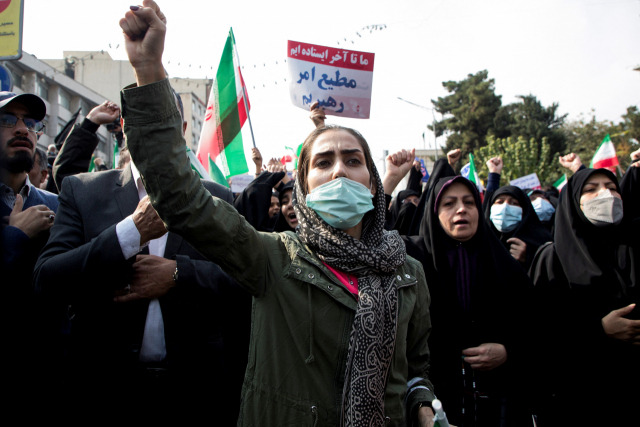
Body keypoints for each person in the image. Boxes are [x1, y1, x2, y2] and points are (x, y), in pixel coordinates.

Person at [119, 3, 436, 425]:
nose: (339, 169)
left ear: (375, 184)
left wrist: (423, 406)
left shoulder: (408, 272)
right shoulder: (272, 259)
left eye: (352, 159)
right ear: (302, 189)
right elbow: (180, 196)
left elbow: (416, 368)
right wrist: (148, 69)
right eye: (323, 163)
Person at [34, 85, 250, 424]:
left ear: (182, 130)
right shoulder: (83, 190)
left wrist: (179, 274)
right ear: (124, 125)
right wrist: (130, 233)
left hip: (195, 394)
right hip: (103, 392)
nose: (153, 132)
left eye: (164, 122)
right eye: (143, 119)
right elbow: (49, 280)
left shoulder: (216, 197)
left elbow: (246, 283)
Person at [382, 149, 535, 426]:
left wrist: (507, 351)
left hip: (499, 401)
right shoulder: (412, 254)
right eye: (449, 204)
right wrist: (391, 181)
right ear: (434, 211)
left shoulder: (501, 261)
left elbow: (536, 326)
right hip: (433, 399)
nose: (461, 209)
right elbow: (365, 241)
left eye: (469, 202)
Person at [528, 162, 639, 426]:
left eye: (612, 187)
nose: (606, 194)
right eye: (592, 189)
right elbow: (538, 334)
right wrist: (599, 330)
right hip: (579, 398)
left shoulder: (634, 248)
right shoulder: (553, 259)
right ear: (573, 202)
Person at [0, 91, 63, 413]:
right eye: (8, 120)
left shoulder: (57, 205)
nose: (22, 129)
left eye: (30, 122)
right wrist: (15, 236)